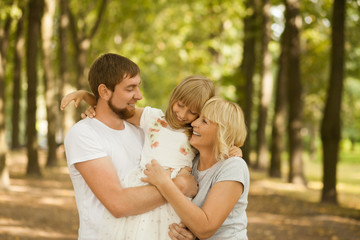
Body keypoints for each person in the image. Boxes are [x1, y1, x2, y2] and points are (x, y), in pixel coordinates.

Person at [63, 53, 198, 240]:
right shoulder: (84, 134)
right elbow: (119, 204)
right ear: (104, 92)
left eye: (138, 87)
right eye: (130, 89)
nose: (139, 96)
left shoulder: (141, 131)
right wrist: (179, 186)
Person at [143, 96, 249, 240]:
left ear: (222, 132)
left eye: (204, 121)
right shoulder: (191, 162)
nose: (193, 123)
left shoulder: (233, 166)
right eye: (198, 117)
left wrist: (164, 183)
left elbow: (205, 228)